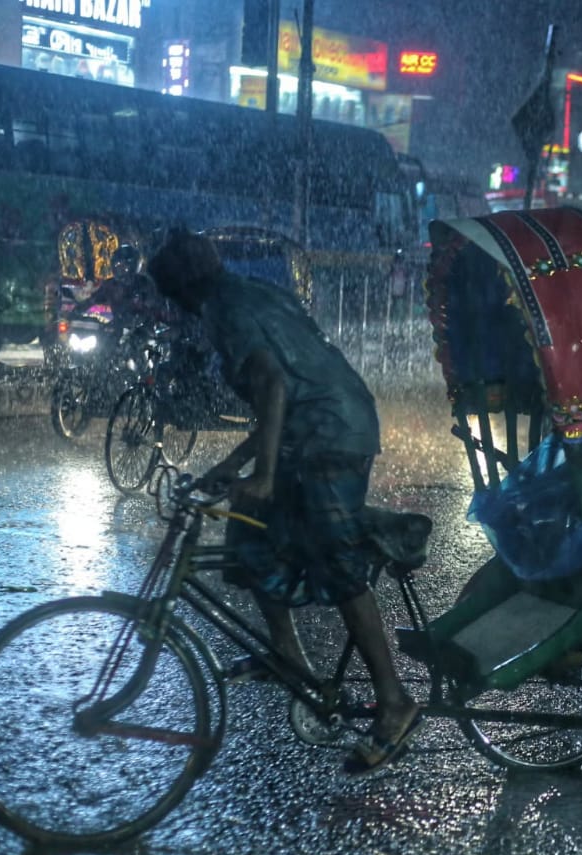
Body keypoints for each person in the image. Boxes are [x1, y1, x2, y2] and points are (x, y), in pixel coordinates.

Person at [144, 229, 420, 773]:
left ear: (177, 291)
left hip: (332, 434)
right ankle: (286, 656)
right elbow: (280, 390)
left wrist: (265, 473)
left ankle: (395, 702)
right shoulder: (247, 292)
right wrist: (234, 468)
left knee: (339, 564)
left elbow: (273, 385)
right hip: (315, 427)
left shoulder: (224, 309)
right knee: (248, 527)